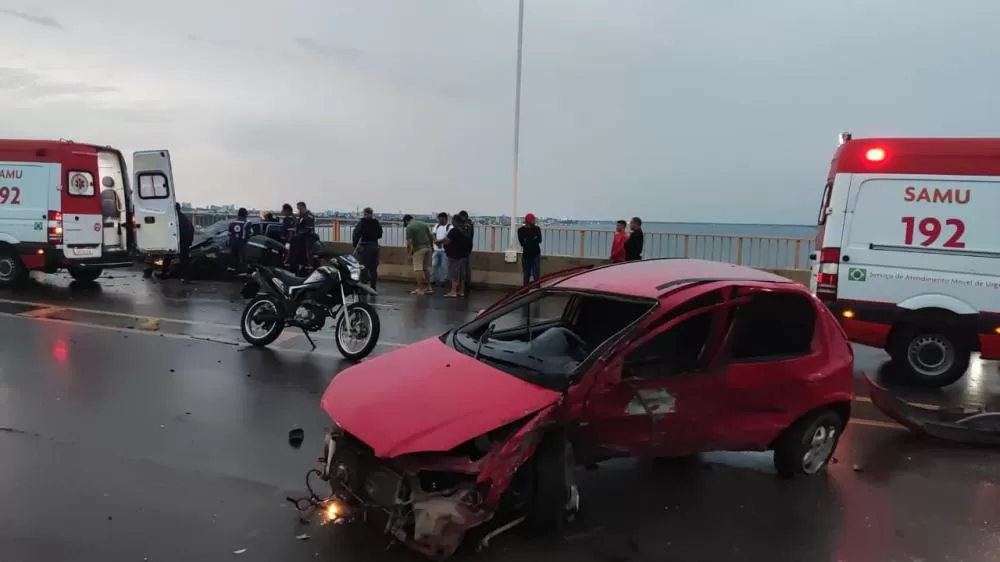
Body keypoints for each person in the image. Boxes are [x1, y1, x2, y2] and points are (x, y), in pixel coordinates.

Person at [160, 203, 194, 282]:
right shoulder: (184, 218)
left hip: (177, 242)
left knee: (168, 258)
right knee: (184, 261)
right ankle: (186, 278)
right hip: (183, 243)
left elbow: (169, 230)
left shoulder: (174, 219)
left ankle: (164, 274)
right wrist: (189, 242)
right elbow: (191, 230)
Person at [352, 207, 383, 290]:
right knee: (373, 268)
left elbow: (356, 234)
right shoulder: (376, 222)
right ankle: (373, 287)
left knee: (363, 267)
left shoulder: (362, 222)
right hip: (374, 246)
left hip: (364, 246)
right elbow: (380, 234)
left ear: (365, 213)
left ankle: (363, 288)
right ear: (372, 213)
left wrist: (356, 247)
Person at [403, 214, 433, 295]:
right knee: (425, 268)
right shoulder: (423, 224)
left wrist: (409, 254)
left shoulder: (409, 227)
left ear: (406, 221)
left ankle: (420, 289)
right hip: (428, 248)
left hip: (419, 249)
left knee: (418, 269)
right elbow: (431, 236)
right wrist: (432, 247)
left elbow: (409, 243)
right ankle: (429, 287)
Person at [443, 214, 471, 297]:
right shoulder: (465, 230)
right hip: (463, 254)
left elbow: (447, 241)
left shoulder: (454, 231)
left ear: (455, 221)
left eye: (452, 220)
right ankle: (461, 291)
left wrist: (442, 242)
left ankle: (453, 291)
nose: (451, 222)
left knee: (454, 273)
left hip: (454, 255)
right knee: (461, 273)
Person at [517, 213, 543, 285]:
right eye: (533, 219)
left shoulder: (537, 229)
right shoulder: (521, 230)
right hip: (527, 255)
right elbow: (522, 243)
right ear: (530, 221)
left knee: (536, 275)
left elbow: (539, 240)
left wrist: (528, 240)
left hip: (536, 254)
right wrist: (533, 238)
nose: (535, 221)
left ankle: (537, 289)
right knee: (526, 275)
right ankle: (525, 291)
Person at [292, 201, 317, 274]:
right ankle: (303, 266)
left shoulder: (309, 216)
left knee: (308, 252)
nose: (298, 210)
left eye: (299, 208)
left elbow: (307, 228)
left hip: (308, 236)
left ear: (303, 207)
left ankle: (310, 267)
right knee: (301, 251)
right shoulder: (302, 215)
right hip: (302, 237)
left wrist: (299, 233)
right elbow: (299, 225)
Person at [430, 212, 451, 287]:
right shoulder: (437, 225)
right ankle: (432, 280)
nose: (440, 221)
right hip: (436, 250)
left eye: (441, 219)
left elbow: (448, 238)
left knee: (444, 266)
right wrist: (436, 242)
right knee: (434, 265)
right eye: (439, 219)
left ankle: (443, 281)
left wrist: (438, 242)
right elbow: (433, 234)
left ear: (445, 219)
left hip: (444, 251)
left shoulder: (450, 227)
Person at [228, 207, 249, 273]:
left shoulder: (232, 222)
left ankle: (235, 271)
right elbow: (251, 233)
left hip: (233, 243)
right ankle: (243, 272)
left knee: (235, 258)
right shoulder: (247, 222)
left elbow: (229, 233)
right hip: (241, 243)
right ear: (245, 214)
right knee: (243, 258)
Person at [458, 210, 474, 294]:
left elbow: (466, 237)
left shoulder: (466, 226)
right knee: (465, 269)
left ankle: (463, 288)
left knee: (463, 269)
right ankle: (466, 286)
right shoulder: (469, 225)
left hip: (464, 249)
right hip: (467, 249)